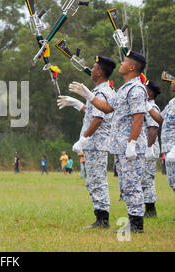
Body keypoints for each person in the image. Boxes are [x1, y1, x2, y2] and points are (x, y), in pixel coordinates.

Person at [69, 50, 148, 233]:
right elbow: (107, 108)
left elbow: (138, 118)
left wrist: (132, 143)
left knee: (132, 185)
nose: (121, 63)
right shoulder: (124, 89)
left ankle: (137, 226)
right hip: (120, 146)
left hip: (130, 146)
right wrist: (88, 96)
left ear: (132, 67)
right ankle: (133, 222)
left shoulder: (136, 89)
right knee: (126, 186)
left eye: (125, 61)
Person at [58, 56, 116, 229]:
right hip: (95, 143)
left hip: (96, 143)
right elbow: (92, 114)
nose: (91, 69)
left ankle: (102, 220)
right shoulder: (101, 91)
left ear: (100, 72)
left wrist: (83, 139)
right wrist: (76, 104)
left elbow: (98, 120)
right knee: (93, 180)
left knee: (97, 181)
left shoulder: (101, 92)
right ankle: (100, 217)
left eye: (93, 67)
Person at [146, 77, 175, 222]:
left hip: (174, 148)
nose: (172, 82)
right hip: (169, 148)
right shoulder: (172, 102)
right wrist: (147, 106)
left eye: (174, 80)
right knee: (172, 182)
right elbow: (161, 119)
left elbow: (154, 127)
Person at [142, 80, 161, 218]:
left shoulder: (152, 108)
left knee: (147, 179)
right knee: (144, 179)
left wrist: (149, 148)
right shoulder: (146, 107)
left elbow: (153, 129)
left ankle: (150, 210)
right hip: (145, 147)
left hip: (150, 148)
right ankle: (148, 208)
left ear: (149, 93)